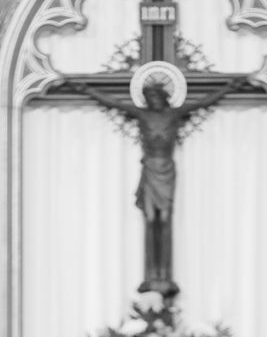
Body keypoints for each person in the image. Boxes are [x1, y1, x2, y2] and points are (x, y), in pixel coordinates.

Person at [69, 76, 242, 291]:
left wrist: (227, 89)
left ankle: (164, 272)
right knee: (151, 220)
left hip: (166, 169)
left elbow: (202, 103)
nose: (153, 100)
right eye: (149, 97)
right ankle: (153, 273)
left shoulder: (172, 114)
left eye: (156, 96)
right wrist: (87, 89)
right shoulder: (143, 115)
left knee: (166, 218)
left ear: (163, 97)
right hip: (150, 169)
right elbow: (113, 103)